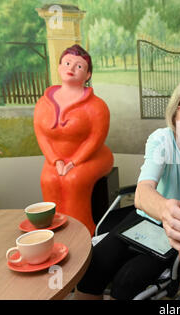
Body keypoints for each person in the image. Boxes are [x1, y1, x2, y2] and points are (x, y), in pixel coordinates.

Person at [75, 76, 180, 299]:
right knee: (93, 267)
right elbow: (142, 194)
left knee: (127, 281)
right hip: (145, 218)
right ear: (175, 113)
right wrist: (168, 211)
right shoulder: (161, 139)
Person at [34, 45, 113, 235]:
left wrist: (74, 162)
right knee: (49, 178)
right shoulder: (43, 102)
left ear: (87, 75)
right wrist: (56, 160)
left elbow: (95, 139)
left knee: (74, 180)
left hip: (92, 156)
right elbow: (41, 133)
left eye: (79, 66)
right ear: (60, 67)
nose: (71, 68)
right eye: (68, 63)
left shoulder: (97, 105)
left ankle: (82, 232)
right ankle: (55, 229)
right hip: (57, 159)